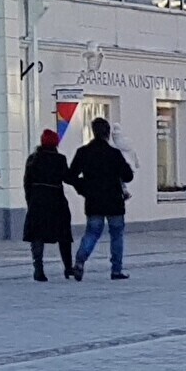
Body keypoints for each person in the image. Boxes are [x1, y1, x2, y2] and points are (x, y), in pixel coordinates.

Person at [69, 118, 135, 281]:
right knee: (116, 235)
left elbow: (71, 176)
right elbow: (128, 176)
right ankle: (116, 270)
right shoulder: (114, 154)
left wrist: (83, 188)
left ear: (93, 132)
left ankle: (79, 262)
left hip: (94, 200)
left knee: (92, 233)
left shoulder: (83, 152)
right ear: (107, 133)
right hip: (114, 200)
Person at [23, 127, 75, 281]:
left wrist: (30, 200)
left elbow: (27, 182)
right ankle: (68, 267)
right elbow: (68, 178)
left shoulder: (33, 159)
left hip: (37, 200)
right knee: (63, 235)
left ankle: (38, 269)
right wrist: (84, 184)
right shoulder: (59, 159)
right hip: (56, 199)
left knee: (37, 235)